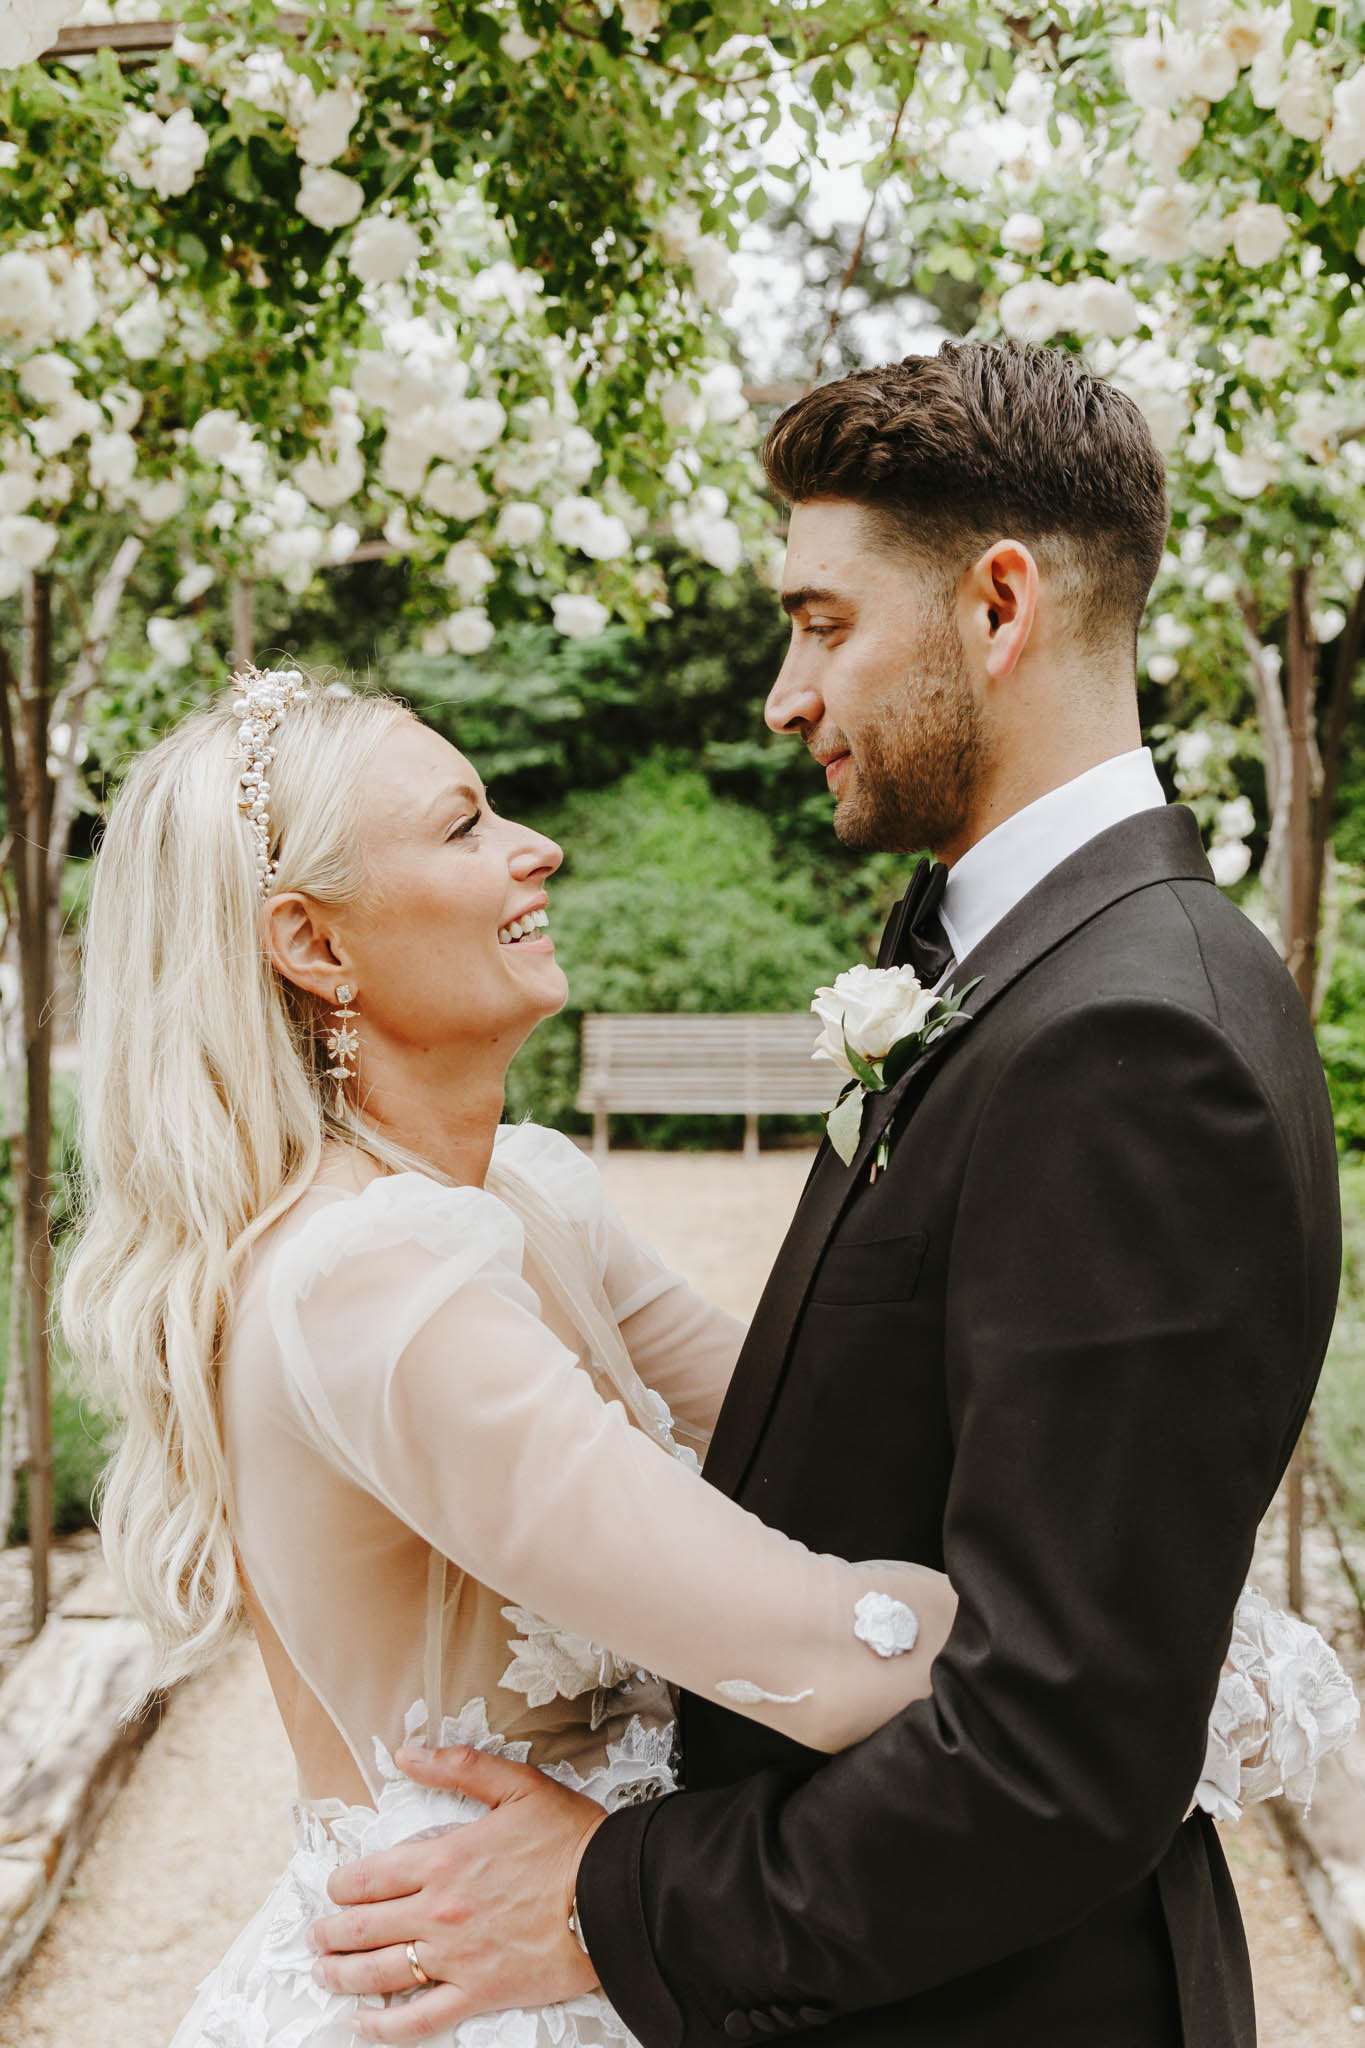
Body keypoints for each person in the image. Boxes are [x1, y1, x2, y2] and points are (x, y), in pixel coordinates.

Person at [308, 339, 1352, 2048]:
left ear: (995, 607)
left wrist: (608, 1900)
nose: (785, 698)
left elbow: (1054, 1753)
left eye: (821, 622)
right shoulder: (1020, 973)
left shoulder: (1133, 1044)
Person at [63, 667, 968, 2048]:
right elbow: (821, 1655)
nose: (534, 848)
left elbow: (804, 1450)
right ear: (311, 945)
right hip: (483, 1995)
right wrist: (1149, 1652)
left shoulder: (528, 1196)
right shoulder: (370, 1281)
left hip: (609, 1951)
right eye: (464, 825)